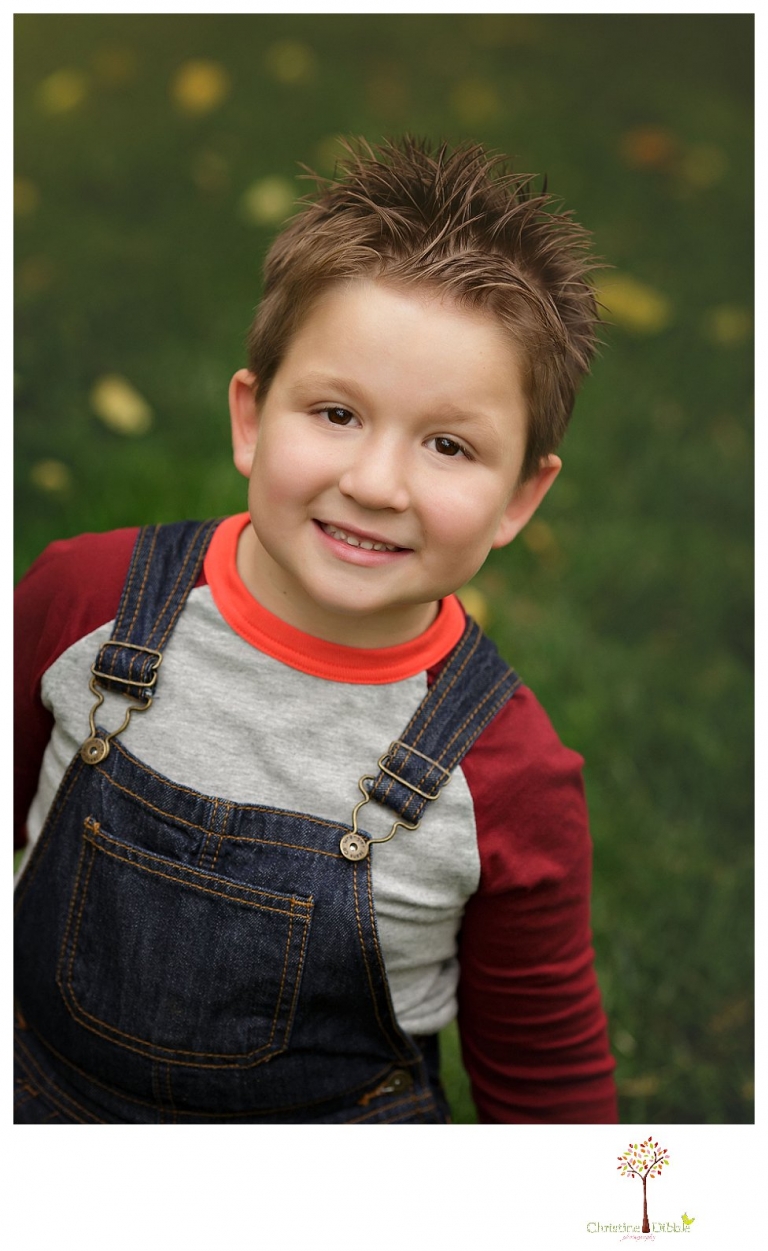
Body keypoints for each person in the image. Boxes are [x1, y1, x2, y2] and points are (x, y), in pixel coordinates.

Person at [14, 137, 618, 1124]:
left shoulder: (508, 779)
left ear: (520, 497)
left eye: (448, 445)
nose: (376, 484)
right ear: (252, 418)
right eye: (336, 413)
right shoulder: (87, 600)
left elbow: (547, 1086)